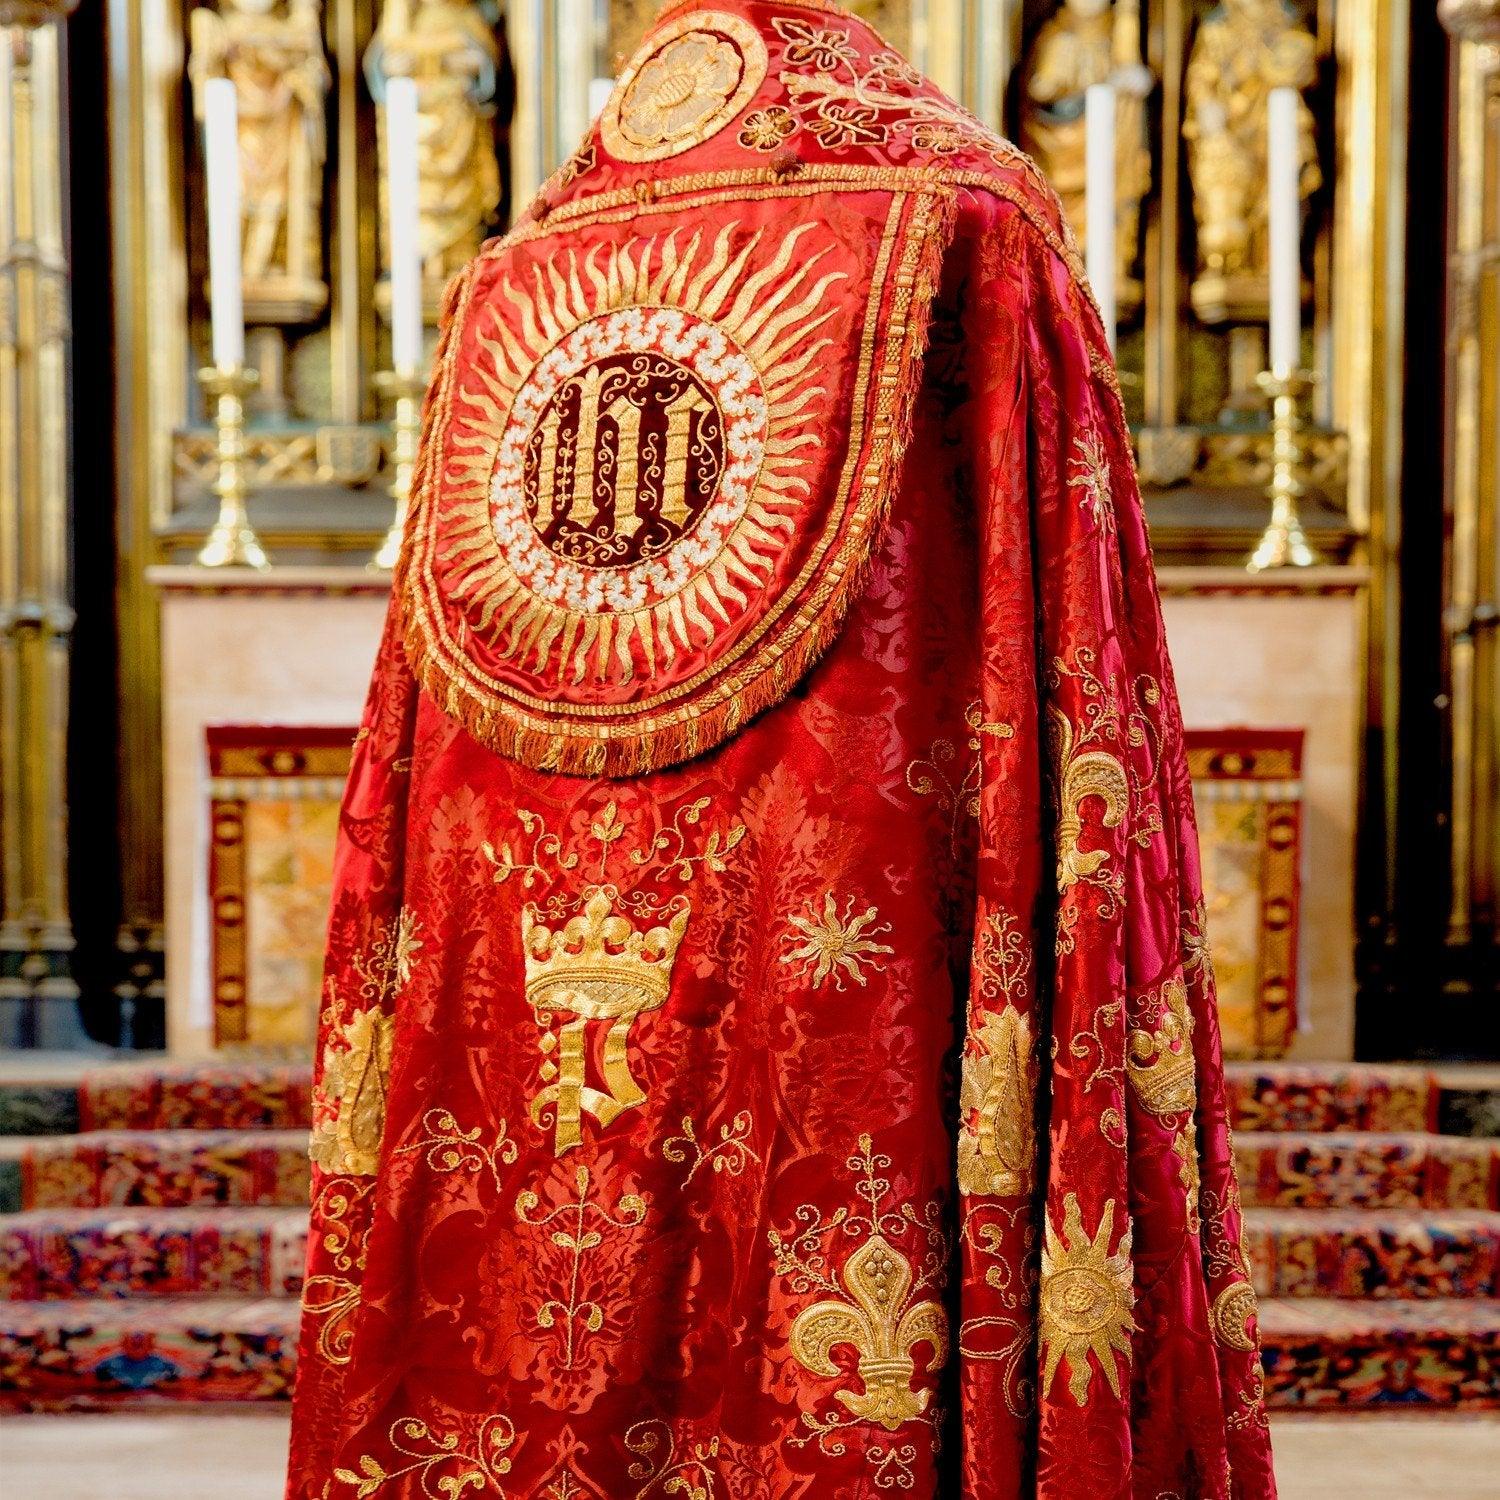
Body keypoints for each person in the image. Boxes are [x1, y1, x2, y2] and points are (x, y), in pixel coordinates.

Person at [285, 4, 1276, 1496]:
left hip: (525, 956)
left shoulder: (506, 277)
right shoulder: (963, 226)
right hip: (850, 919)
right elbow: (1058, 657)